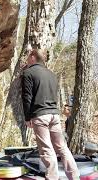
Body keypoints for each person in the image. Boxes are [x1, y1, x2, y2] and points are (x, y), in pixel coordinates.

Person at [21, 49, 79, 180]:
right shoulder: (52, 74)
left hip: (40, 115)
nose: (26, 59)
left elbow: (27, 97)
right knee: (62, 148)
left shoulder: (28, 73)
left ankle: (52, 177)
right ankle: (74, 177)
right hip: (54, 114)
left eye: (28, 57)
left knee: (47, 149)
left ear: (33, 57)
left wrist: (27, 117)